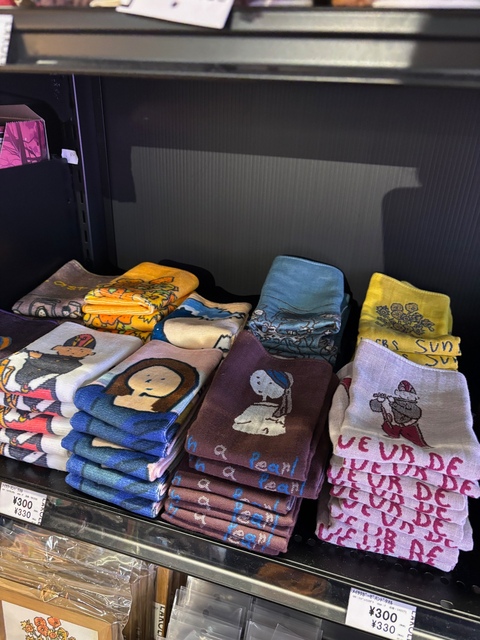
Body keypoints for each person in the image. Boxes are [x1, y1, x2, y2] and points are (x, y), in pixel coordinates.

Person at [104, 357, 199, 413]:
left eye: (163, 380)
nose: (149, 381)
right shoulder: (101, 393)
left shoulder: (163, 413)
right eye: (147, 375)